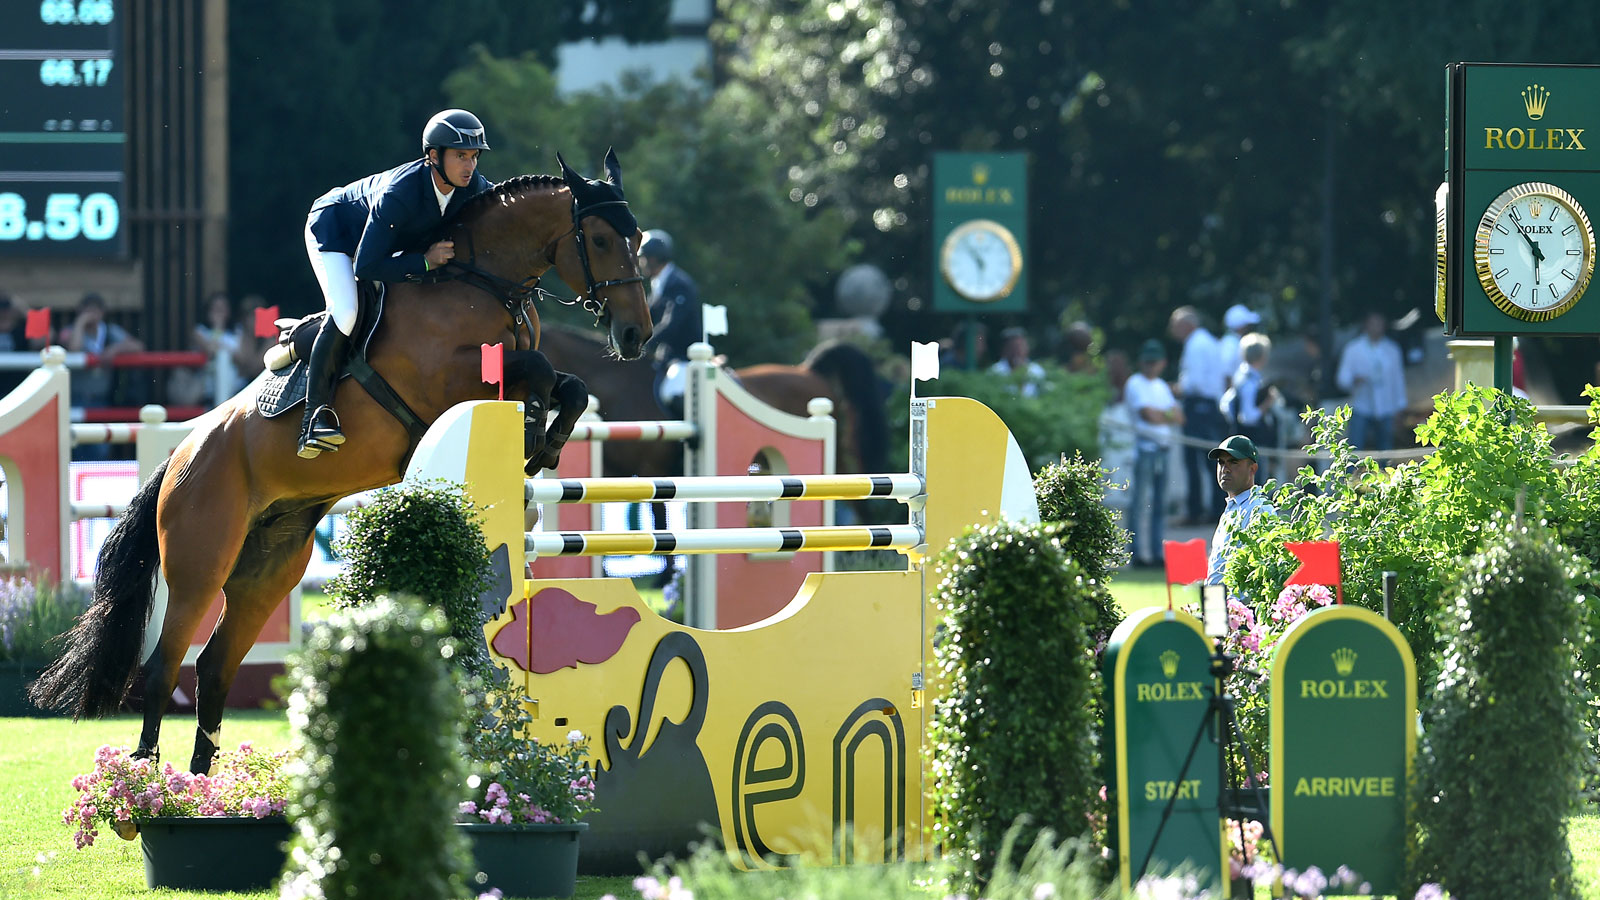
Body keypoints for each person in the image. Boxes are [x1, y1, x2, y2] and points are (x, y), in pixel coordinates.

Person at [299, 108, 493, 458]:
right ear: (434, 156)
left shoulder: (472, 188)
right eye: (461, 156)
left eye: (474, 156)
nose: (470, 166)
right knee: (346, 312)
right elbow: (367, 265)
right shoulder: (401, 191)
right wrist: (424, 261)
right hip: (336, 232)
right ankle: (315, 418)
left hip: (380, 246)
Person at [1124, 339, 1183, 567]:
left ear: (1162, 363)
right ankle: (1136, 553)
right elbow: (1147, 415)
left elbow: (1179, 417)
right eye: (1147, 362)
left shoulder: (1160, 386)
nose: (1150, 366)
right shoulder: (1135, 383)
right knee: (1139, 503)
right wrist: (1165, 415)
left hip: (1163, 449)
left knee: (1160, 504)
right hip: (1145, 449)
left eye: (1154, 362)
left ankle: (1158, 552)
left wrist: (1162, 415)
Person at [1168, 306, 1228, 523]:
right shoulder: (1210, 341)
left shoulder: (1194, 344)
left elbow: (1194, 382)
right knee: (1210, 459)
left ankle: (1195, 512)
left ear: (1186, 325)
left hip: (1197, 405)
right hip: (1211, 405)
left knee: (1193, 459)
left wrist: (1176, 388)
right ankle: (1215, 509)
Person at [639, 229, 701, 416]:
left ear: (654, 258)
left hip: (685, 356)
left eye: (643, 258)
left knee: (671, 392)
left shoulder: (679, 283)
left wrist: (645, 345)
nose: (640, 263)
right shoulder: (658, 283)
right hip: (666, 357)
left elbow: (671, 325)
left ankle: (690, 440)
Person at [1206, 435, 1275, 586]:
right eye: (1221, 462)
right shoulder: (1231, 509)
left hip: (1241, 607)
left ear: (1253, 469)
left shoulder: (1260, 510)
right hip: (1219, 605)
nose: (1225, 469)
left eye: (1234, 462)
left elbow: (1263, 572)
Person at [1335, 311, 1407, 452]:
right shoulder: (1353, 349)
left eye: (1379, 324)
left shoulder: (1392, 350)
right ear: (1366, 326)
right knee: (1355, 450)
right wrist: (1354, 380)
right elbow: (1342, 379)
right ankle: (1352, 474)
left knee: (1385, 452)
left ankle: (1384, 474)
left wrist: (1400, 407)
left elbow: (1398, 380)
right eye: (1373, 324)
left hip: (1386, 408)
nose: (1376, 327)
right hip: (1361, 406)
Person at [1220, 333, 1280, 454]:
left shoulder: (1241, 377)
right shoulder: (1249, 382)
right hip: (1250, 444)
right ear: (1263, 356)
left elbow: (1225, 404)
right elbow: (1248, 417)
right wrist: (1267, 402)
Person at [190, 290, 242, 404]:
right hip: (207, 390)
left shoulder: (237, 331)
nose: (219, 313)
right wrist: (218, 326)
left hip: (235, 389)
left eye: (222, 309)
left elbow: (243, 358)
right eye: (215, 309)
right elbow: (211, 350)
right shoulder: (200, 331)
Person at [989, 326, 1047, 397]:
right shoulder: (995, 371)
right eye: (1013, 347)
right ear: (1005, 349)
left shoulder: (1036, 370)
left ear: (1027, 348)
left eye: (1020, 346)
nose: (1017, 351)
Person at [1218, 303, 1261, 386]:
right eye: (1247, 325)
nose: (1249, 327)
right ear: (1240, 327)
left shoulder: (1234, 341)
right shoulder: (1229, 344)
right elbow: (1226, 374)